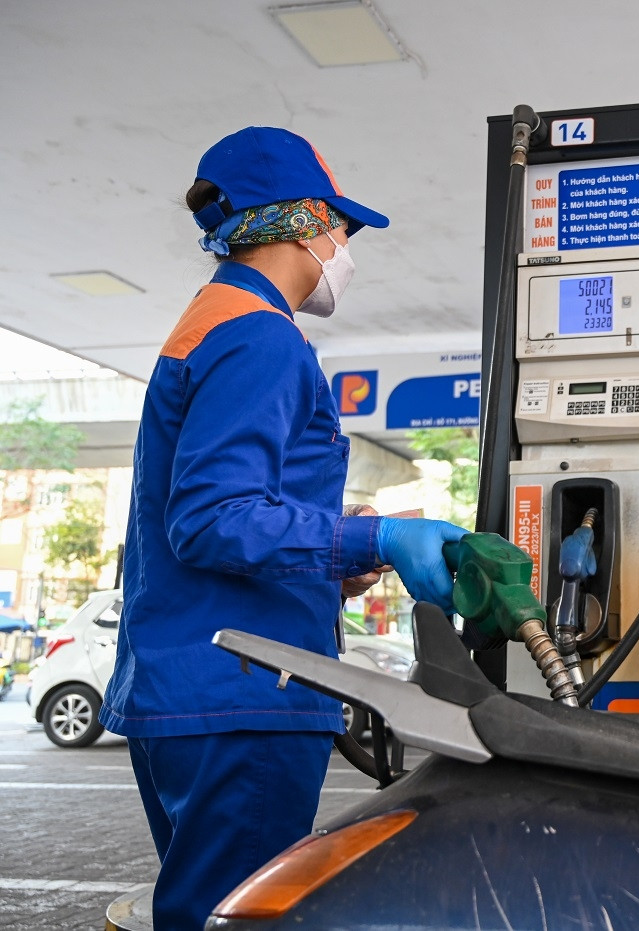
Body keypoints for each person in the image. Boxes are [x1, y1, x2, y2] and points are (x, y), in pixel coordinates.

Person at [99, 126, 471, 930]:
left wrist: (332, 559)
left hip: (195, 683)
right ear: (304, 223)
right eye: (342, 226)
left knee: (205, 911)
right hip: (243, 692)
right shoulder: (259, 334)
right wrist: (375, 541)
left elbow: (202, 512)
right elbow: (210, 519)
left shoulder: (212, 319)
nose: (344, 245)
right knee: (242, 919)